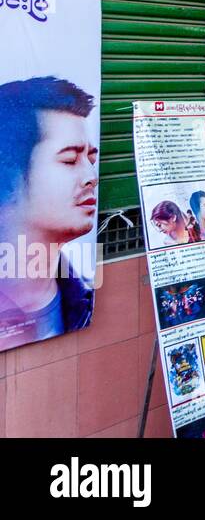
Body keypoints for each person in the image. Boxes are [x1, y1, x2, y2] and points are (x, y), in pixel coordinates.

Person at [0, 77, 98, 347]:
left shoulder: (83, 298)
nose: (91, 176)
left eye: (91, 159)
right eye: (69, 160)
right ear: (9, 170)